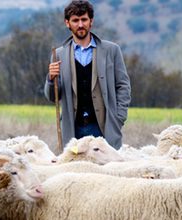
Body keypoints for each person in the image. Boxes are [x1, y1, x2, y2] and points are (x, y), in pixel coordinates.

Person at [44, 0, 131, 150]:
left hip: (104, 128)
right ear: (67, 23)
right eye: (75, 20)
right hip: (73, 130)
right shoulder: (58, 55)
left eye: (84, 19)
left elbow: (123, 85)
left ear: (91, 21)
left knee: (107, 171)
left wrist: (118, 118)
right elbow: (53, 97)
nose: (80, 25)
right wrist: (51, 79)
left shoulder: (111, 50)